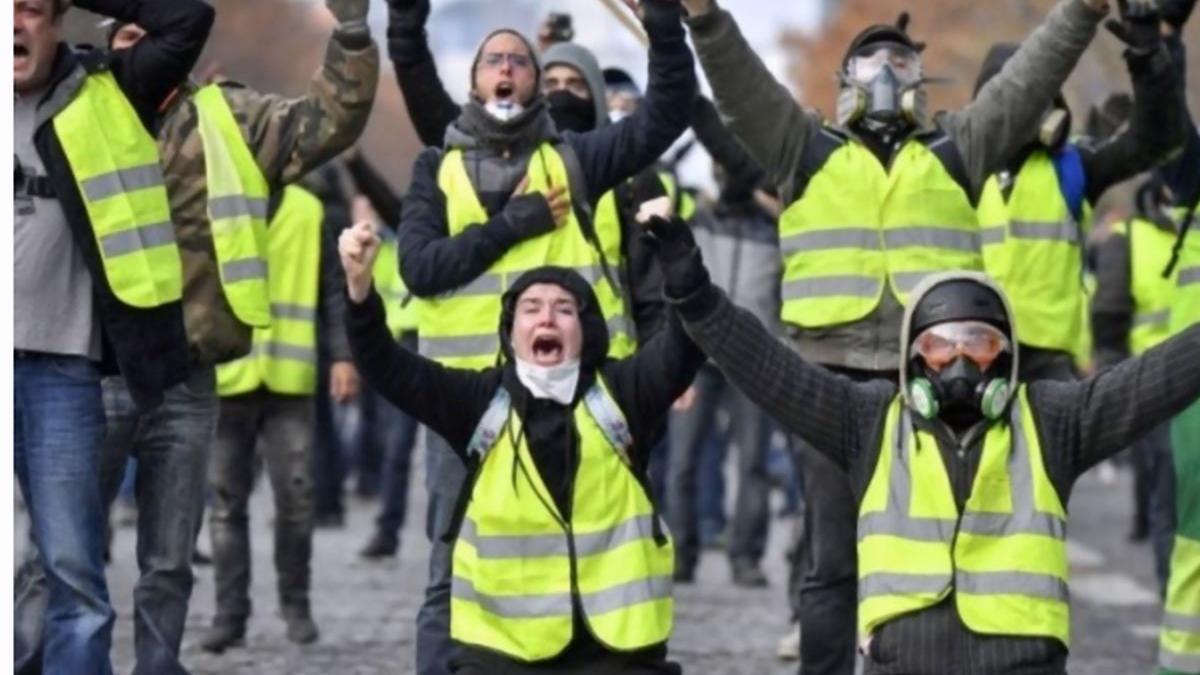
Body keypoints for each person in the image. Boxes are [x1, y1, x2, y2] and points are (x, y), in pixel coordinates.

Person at [675, 0, 1122, 670]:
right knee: (832, 561)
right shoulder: (802, 146)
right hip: (829, 382)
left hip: (935, 383)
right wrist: (706, 18)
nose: (888, 73)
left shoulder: (957, 148)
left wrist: (1083, 12)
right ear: (844, 82)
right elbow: (741, 84)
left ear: (921, 79)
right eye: (872, 61)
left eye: (902, 61)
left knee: (937, 549)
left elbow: (1027, 79)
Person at [640, 210, 1200, 674]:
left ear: (1006, 354)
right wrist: (694, 296)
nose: (959, 362)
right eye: (939, 346)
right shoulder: (868, 421)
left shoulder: (1053, 420)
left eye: (978, 343)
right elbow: (771, 369)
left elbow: (1157, 377)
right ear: (913, 358)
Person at [14, 1, 378, 669]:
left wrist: (352, 32)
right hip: (87, 371)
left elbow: (326, 121)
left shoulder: (228, 122)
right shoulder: (71, 111)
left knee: (169, 557)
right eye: (126, 38)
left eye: (153, 40)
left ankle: (158, 663)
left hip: (185, 372)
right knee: (51, 554)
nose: (139, 50)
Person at [389, 1, 697, 672]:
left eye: (520, 61)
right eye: (493, 60)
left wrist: (666, 20)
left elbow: (668, 110)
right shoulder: (436, 165)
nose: (508, 69)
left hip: (577, 401)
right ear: (473, 83)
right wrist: (517, 222)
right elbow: (419, 267)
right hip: (465, 405)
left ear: (536, 80)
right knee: (450, 563)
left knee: (586, 556)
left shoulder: (580, 159)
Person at [338, 201, 706, 673]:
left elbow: (687, 340)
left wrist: (678, 254)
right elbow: (386, 366)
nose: (547, 319)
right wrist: (359, 289)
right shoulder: (480, 403)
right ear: (511, 334)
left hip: (616, 650)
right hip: (503, 651)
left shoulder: (623, 395)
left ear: (586, 330)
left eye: (564, 310)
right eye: (531, 309)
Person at [14, 0, 213, 671]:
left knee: (72, 574)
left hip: (63, 374)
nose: (12, 23)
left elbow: (188, 18)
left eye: (31, 9)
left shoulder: (108, 90)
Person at [975, 0, 1185, 381]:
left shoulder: (1073, 166)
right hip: (969, 363)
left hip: (1052, 374)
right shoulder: (954, 165)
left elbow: (1160, 140)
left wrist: (1149, 56)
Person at [205, 175, 357, 651]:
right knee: (226, 505)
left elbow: (333, 293)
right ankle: (230, 615)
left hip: (289, 379)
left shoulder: (310, 211)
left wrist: (343, 356)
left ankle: (297, 605)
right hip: (228, 377)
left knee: (295, 501)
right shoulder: (216, 206)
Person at [667, 96, 782, 588]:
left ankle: (745, 558)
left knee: (753, 463)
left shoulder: (775, 229)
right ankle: (681, 554)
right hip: (696, 359)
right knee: (682, 463)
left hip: (754, 360)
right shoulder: (695, 220)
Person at [344, 154, 424, 559]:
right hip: (398, 343)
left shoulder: (407, 236)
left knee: (400, 447)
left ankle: (391, 531)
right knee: (393, 445)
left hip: (426, 341)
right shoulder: (381, 245)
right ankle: (387, 529)